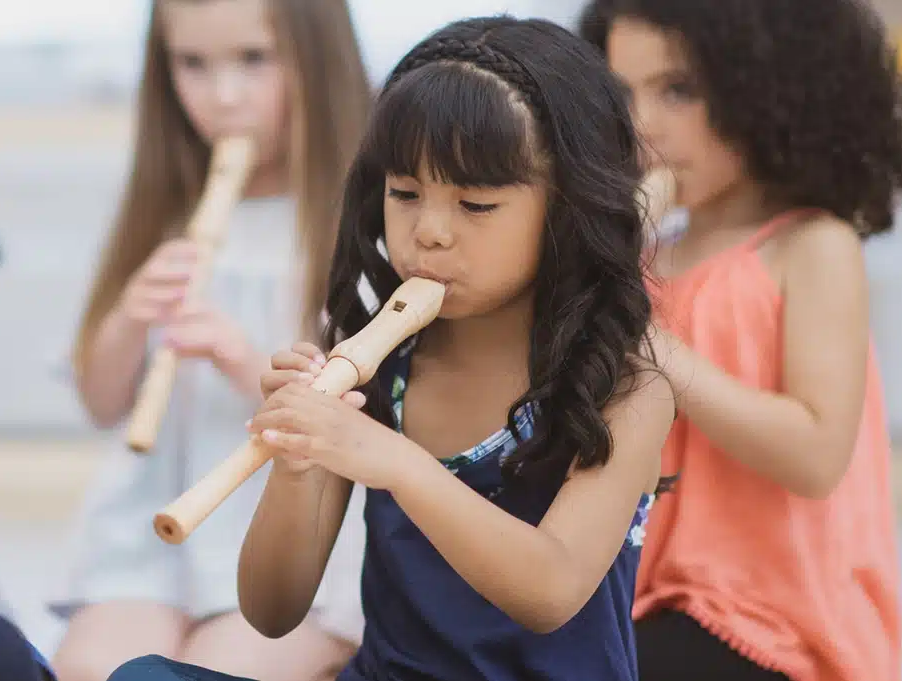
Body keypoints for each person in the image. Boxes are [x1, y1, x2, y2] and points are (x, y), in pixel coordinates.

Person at [106, 15, 676, 681]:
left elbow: (550, 591)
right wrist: (295, 466)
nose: (429, 231)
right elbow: (270, 610)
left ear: (566, 209)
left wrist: (397, 463)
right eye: (404, 193)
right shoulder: (378, 366)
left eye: (475, 204)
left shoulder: (625, 390)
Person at [578, 1, 902, 679]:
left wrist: (659, 351)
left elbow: (818, 451)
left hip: (775, 623)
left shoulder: (811, 245)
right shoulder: (647, 258)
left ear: (767, 88)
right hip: (642, 599)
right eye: (623, 95)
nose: (642, 124)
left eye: (678, 89)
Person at [50, 1, 371, 679]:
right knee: (91, 666)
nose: (223, 97)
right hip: (149, 535)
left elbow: (360, 410)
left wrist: (239, 358)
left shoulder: (363, 218)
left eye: (254, 61)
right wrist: (132, 317)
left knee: (222, 669)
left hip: (296, 540)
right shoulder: (166, 210)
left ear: (318, 60)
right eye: (191, 65)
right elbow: (101, 403)